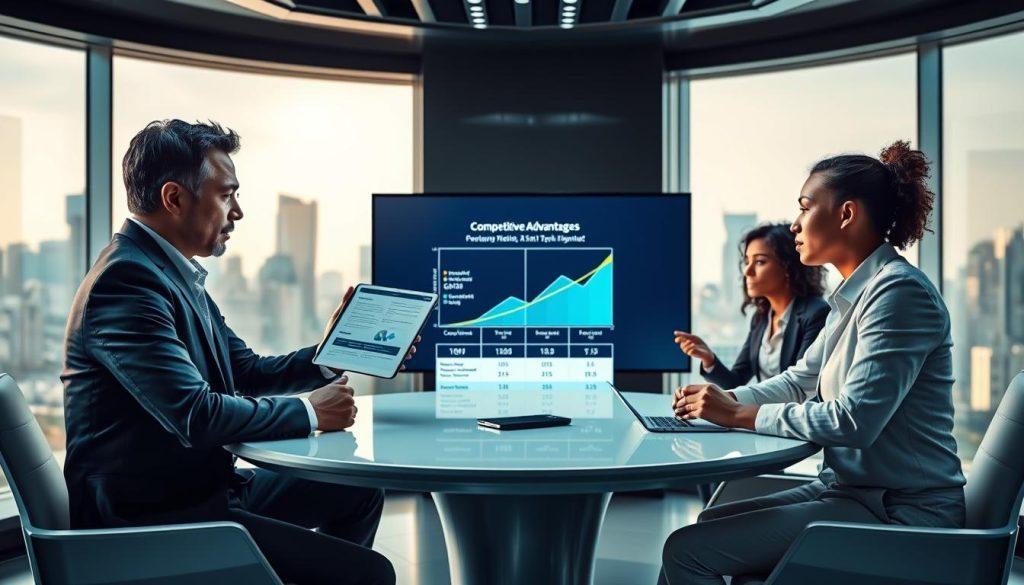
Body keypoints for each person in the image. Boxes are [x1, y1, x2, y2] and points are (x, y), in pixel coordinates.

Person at [62, 119, 410, 585]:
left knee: (356, 491)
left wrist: (334, 351)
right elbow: (195, 415)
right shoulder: (126, 283)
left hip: (200, 496)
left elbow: (243, 371)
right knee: (371, 574)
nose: (238, 211)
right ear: (174, 198)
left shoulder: (169, 274)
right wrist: (309, 412)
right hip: (155, 522)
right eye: (227, 194)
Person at [659, 141, 966, 585]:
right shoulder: (854, 297)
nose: (795, 224)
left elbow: (855, 421)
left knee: (685, 551)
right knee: (703, 528)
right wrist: (723, 400)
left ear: (846, 214)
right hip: (851, 492)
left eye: (805, 208)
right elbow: (798, 381)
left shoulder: (899, 294)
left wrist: (737, 414)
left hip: (901, 512)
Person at [672, 222, 828, 503]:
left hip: (790, 427)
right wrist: (709, 359)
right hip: (760, 418)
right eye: (746, 262)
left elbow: (805, 388)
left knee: (715, 455)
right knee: (705, 450)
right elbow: (736, 381)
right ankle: (712, 519)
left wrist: (735, 410)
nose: (747, 272)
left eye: (760, 262)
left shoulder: (816, 314)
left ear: (788, 267)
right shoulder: (761, 318)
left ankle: (715, 521)